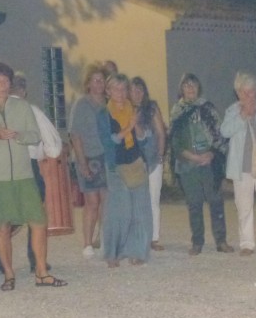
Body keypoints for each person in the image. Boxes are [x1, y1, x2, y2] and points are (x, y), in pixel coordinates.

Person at [0, 61, 66, 289]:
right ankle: (9, 274)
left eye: (7, 80)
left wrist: (19, 135)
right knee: (1, 226)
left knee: (38, 220)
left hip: (23, 174)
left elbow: (34, 136)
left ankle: (41, 272)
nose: (5, 85)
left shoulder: (22, 107)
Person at [0, 72, 62, 272]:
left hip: (0, 167)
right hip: (27, 165)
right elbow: (53, 144)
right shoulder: (31, 110)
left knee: (5, 215)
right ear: (23, 90)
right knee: (35, 214)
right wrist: (46, 153)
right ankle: (36, 261)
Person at [169, 73, 234, 256]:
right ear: (181, 89)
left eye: (193, 85)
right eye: (186, 86)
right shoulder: (177, 111)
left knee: (216, 201)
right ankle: (197, 242)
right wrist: (193, 157)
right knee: (194, 203)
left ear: (199, 88)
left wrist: (212, 154)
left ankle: (221, 241)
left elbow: (219, 135)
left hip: (209, 163)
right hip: (188, 164)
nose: (190, 89)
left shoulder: (208, 108)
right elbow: (175, 142)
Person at [219, 72, 256, 255]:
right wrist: (243, 116)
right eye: (244, 92)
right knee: (244, 206)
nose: (249, 95)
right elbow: (224, 132)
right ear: (238, 93)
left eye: (252, 91)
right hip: (242, 166)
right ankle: (247, 243)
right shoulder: (232, 111)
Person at [97, 74, 152, 267]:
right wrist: (128, 127)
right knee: (119, 211)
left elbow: (144, 139)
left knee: (140, 211)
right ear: (108, 91)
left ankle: (137, 252)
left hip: (135, 162)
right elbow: (109, 141)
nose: (120, 93)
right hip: (116, 166)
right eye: (115, 89)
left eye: (123, 89)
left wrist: (136, 126)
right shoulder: (103, 114)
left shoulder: (134, 110)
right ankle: (113, 253)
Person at [69, 62, 108, 258]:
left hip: (107, 158)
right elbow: (75, 135)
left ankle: (104, 239)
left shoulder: (110, 103)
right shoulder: (82, 104)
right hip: (89, 158)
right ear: (88, 84)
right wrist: (82, 163)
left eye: (102, 80)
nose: (99, 83)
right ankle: (87, 243)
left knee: (107, 201)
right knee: (92, 202)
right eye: (96, 80)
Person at [130, 76, 167, 251]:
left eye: (140, 90)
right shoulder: (124, 109)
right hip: (132, 162)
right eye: (133, 90)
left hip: (152, 159)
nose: (136, 94)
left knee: (153, 199)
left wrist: (160, 155)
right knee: (135, 201)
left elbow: (161, 132)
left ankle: (153, 238)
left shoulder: (151, 108)